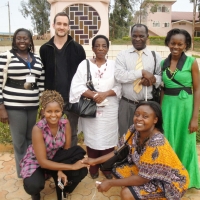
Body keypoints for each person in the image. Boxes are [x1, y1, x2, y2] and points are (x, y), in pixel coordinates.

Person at [83, 101, 189, 199]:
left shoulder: (157, 143)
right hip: (148, 173)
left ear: (155, 120)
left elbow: (143, 179)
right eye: (137, 114)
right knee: (118, 170)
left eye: (145, 116)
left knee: (126, 193)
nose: (139, 119)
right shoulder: (134, 129)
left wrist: (110, 183)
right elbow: (118, 150)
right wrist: (94, 161)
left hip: (169, 183)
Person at [20, 90, 88, 200]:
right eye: (49, 111)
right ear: (43, 111)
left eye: (57, 111)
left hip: (56, 158)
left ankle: (63, 187)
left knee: (81, 166)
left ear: (62, 111)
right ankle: (36, 192)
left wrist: (60, 170)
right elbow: (43, 162)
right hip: (38, 162)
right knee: (33, 185)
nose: (53, 115)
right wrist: (71, 167)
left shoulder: (65, 123)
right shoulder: (38, 129)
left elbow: (66, 151)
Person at [70, 35, 121, 179]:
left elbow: (119, 86)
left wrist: (104, 94)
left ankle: (106, 167)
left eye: (104, 45)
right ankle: (93, 166)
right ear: (92, 48)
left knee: (109, 139)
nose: (100, 48)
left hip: (110, 109)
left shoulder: (114, 65)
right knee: (92, 138)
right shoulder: (84, 64)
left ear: (108, 48)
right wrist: (94, 95)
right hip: (90, 108)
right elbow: (76, 86)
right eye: (97, 45)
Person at [0, 28, 44, 178]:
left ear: (30, 40)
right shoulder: (6, 57)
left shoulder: (37, 59)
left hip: (32, 105)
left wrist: (43, 105)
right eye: (19, 38)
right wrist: (1, 107)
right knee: (19, 141)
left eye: (25, 38)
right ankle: (23, 173)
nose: (22, 41)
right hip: (14, 106)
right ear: (14, 40)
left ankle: (31, 168)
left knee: (31, 139)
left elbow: (41, 83)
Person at [39, 12, 86, 147]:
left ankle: (70, 162)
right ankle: (52, 162)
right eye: (59, 23)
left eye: (65, 24)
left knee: (71, 133)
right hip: (51, 100)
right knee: (50, 132)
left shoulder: (78, 49)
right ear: (53, 25)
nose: (62, 27)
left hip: (72, 98)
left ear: (68, 27)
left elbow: (82, 75)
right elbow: (42, 75)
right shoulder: (45, 49)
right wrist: (43, 100)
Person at [161, 28, 200, 189]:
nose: (175, 47)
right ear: (168, 43)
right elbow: (163, 89)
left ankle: (186, 180)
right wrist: (159, 113)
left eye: (180, 44)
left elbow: (197, 89)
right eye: (173, 43)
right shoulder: (164, 62)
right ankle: (168, 179)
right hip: (167, 108)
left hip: (185, 108)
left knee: (185, 143)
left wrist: (194, 117)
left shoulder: (192, 62)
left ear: (186, 45)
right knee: (168, 142)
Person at [115, 24, 162, 137]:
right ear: (130, 35)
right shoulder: (122, 55)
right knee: (125, 138)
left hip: (147, 104)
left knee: (145, 138)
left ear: (147, 36)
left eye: (141, 36)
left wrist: (152, 79)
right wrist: (141, 72)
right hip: (127, 104)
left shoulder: (155, 56)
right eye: (134, 36)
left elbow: (161, 77)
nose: (137, 39)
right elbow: (119, 76)